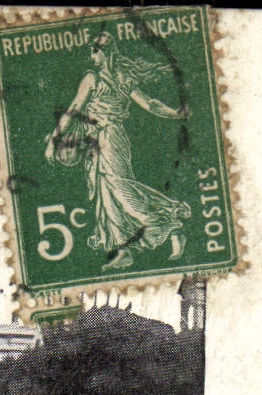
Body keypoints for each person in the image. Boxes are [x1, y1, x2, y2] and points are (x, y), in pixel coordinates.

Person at [44, 32, 192, 271]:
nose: (92, 54)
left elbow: (73, 109)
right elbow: (149, 104)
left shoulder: (95, 78)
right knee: (109, 194)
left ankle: (166, 222)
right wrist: (175, 113)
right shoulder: (118, 77)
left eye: (95, 49)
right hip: (100, 139)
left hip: (109, 137)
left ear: (104, 52)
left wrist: (53, 140)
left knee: (120, 189)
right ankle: (127, 249)